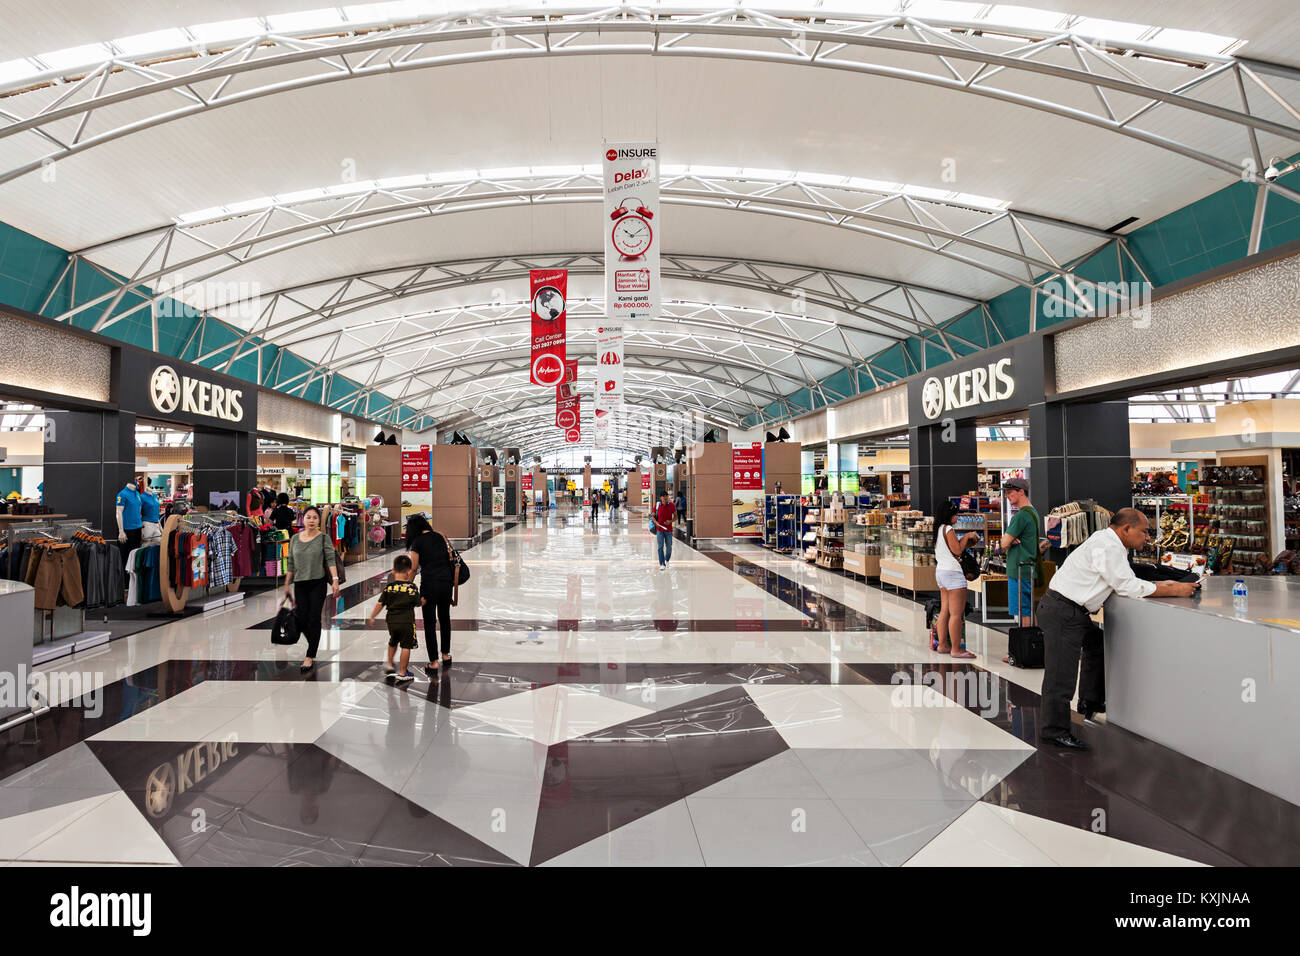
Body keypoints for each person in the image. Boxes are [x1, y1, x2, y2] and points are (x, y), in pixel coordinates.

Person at [1037, 507, 1199, 751]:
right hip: (1063, 612)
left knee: (1097, 645)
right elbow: (1126, 586)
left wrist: (1159, 583)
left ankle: (1089, 702)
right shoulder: (1108, 546)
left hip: (1069, 610)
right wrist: (1174, 590)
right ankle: (1054, 731)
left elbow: (1119, 580)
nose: (1146, 537)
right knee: (1061, 675)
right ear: (1126, 529)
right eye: (1143, 532)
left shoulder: (1108, 542)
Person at [283, 506, 341, 672]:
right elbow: (291, 562)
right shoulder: (294, 539)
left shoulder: (323, 538)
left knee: (314, 618)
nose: (311, 521)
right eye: (308, 517)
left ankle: (310, 655)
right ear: (303, 519)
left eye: (315, 518)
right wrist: (287, 584)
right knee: (302, 618)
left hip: (318, 583)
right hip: (300, 583)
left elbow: (330, 560)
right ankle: (313, 641)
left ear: (318, 520)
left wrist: (335, 580)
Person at [405, 513, 455, 677]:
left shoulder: (417, 542)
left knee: (429, 623)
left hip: (430, 585)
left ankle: (433, 662)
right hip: (446, 583)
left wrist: (407, 586)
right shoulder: (440, 537)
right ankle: (446, 655)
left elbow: (413, 568)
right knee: (445, 618)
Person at [933, 501, 979, 659]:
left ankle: (942, 644)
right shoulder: (948, 529)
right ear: (949, 514)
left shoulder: (938, 529)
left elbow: (951, 550)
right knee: (956, 614)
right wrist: (967, 536)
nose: (957, 517)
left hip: (941, 572)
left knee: (944, 610)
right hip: (953, 573)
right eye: (955, 514)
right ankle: (956, 649)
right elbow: (957, 550)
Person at [368, 554, 424, 684]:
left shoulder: (389, 587)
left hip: (391, 622)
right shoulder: (411, 588)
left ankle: (389, 662)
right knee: (406, 646)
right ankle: (403, 672)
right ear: (409, 570)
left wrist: (372, 616)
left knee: (393, 641)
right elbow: (418, 603)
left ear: (393, 571)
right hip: (407, 621)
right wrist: (423, 600)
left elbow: (380, 604)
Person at [1000, 477, 1044, 620]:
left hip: (1019, 570)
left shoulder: (1020, 516)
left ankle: (1027, 642)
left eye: (1009, 492)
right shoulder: (1033, 513)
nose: (1006, 496)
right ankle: (1035, 641)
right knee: (1029, 609)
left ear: (1021, 492)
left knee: (1024, 612)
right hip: (1028, 568)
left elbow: (1004, 543)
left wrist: (1009, 541)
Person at [114, 477, 144, 563]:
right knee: (125, 558)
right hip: (127, 531)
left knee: (135, 557)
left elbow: (138, 510)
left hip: (137, 529)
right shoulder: (122, 494)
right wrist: (121, 531)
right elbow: (118, 512)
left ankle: (133, 576)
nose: (138, 483)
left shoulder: (138, 494)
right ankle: (124, 576)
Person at [653, 491, 676, 569]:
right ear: (660, 498)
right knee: (660, 547)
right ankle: (662, 564)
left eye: (666, 497)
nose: (665, 499)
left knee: (669, 547)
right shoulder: (657, 505)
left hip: (668, 530)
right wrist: (656, 522)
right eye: (664, 497)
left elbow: (676, 516)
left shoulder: (672, 505)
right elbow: (652, 516)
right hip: (659, 529)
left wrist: (671, 521)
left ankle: (667, 560)